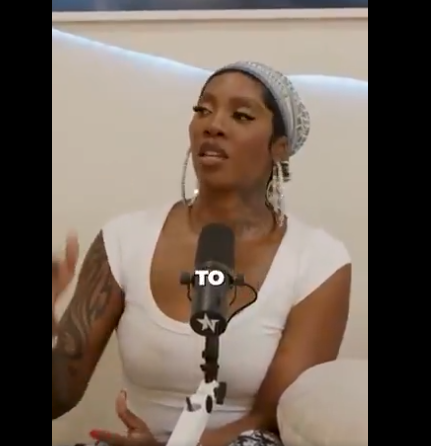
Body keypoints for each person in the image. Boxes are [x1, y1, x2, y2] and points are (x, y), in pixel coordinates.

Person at [52, 61, 352, 446]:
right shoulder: (123, 239)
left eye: (241, 115)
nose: (214, 125)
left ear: (280, 147)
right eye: (203, 110)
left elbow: (275, 417)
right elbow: (60, 394)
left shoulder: (319, 261)